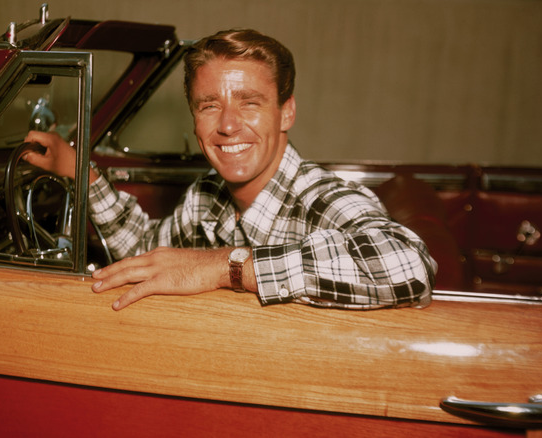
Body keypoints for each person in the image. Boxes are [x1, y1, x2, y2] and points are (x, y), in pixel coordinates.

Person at [24, 29, 436, 311]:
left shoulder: (321, 197)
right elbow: (150, 254)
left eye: (249, 102)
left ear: (286, 112)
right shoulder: (207, 196)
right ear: (194, 120)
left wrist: (225, 266)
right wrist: (83, 173)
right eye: (209, 106)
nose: (227, 125)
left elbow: (408, 265)